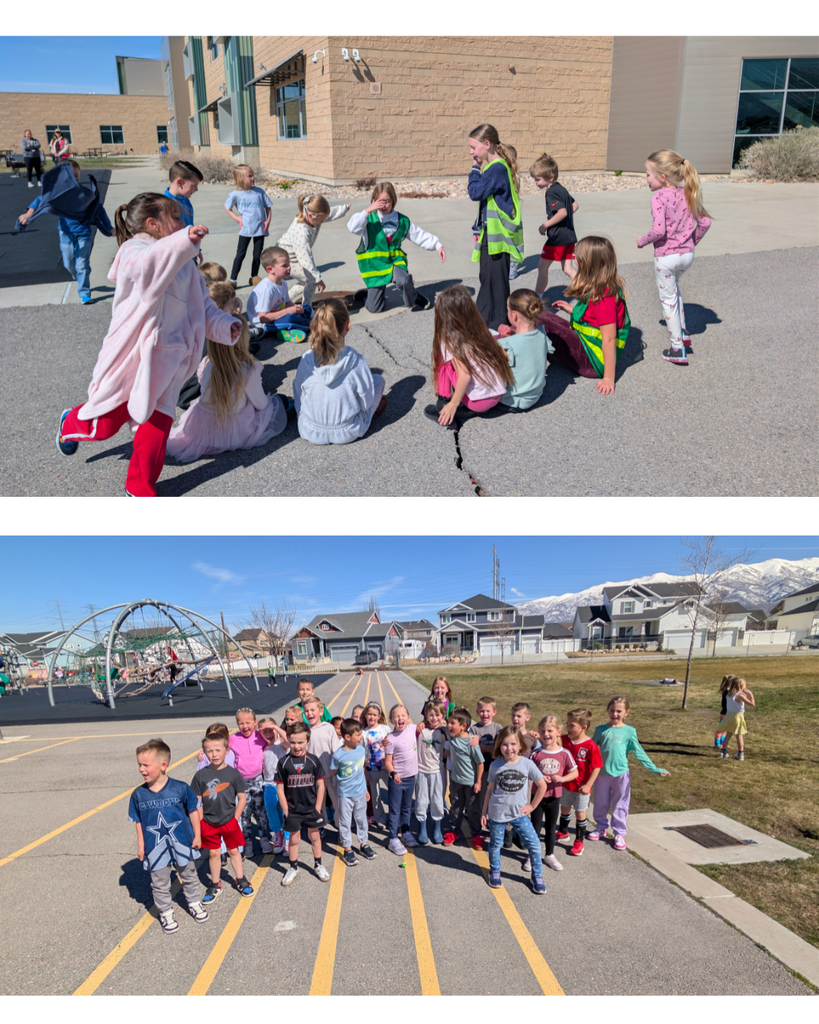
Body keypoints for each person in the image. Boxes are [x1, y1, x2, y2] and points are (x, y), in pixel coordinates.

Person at [55, 194, 241, 496]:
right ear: (153, 224)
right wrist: (183, 242)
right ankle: (69, 422)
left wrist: (223, 324)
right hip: (133, 358)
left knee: (156, 431)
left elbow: (202, 307)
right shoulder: (133, 251)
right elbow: (148, 271)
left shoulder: (186, 266)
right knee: (104, 423)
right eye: (177, 219)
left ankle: (140, 488)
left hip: (170, 358)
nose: (183, 224)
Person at [166, 314, 287, 462]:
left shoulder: (206, 363)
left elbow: (205, 386)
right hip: (235, 431)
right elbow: (261, 404)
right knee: (280, 402)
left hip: (203, 428)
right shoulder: (249, 369)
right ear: (243, 341)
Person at [638, 149, 712, 366]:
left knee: (668, 300)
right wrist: (691, 242)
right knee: (674, 290)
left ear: (662, 176)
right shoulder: (687, 193)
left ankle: (677, 348)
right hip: (687, 255)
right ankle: (683, 332)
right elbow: (705, 222)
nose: (646, 179)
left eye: (648, 174)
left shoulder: (658, 198)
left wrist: (642, 240)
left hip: (666, 257)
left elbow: (658, 231)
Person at [128, 738, 208, 933]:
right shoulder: (138, 794)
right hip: (155, 846)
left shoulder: (180, 788)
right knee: (159, 881)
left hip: (182, 841)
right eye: (139, 764)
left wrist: (197, 836)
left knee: (188, 874)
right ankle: (165, 911)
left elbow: (193, 812)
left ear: (164, 765)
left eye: (146, 765)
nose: (141, 769)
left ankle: (194, 903)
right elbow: (138, 821)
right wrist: (141, 846)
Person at [540, 235, 631, 397]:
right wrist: (571, 310)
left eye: (578, 257)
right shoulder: (602, 285)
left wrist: (609, 377)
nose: (574, 258)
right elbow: (592, 318)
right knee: (542, 316)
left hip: (592, 360)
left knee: (539, 321)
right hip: (587, 346)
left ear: (588, 264)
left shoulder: (604, 297)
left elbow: (609, 339)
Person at [17, 160, 113, 306]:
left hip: (83, 233)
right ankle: (80, 274)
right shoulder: (59, 194)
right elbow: (40, 200)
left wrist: (110, 228)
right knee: (69, 263)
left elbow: (98, 208)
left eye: (76, 175)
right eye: (70, 177)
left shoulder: (85, 195)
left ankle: (84, 292)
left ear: (80, 174)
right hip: (65, 234)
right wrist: (28, 214)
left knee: (81, 264)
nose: (74, 179)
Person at [293, 299, 387, 445]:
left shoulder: (307, 358)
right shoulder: (356, 360)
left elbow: (298, 391)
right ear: (347, 326)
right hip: (347, 431)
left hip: (310, 430)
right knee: (378, 381)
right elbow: (366, 402)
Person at [348, 181, 443, 313]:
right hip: (375, 267)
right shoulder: (367, 217)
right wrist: (368, 210)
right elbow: (352, 227)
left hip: (394, 261)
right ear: (373, 201)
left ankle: (413, 297)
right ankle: (369, 295)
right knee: (375, 308)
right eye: (380, 201)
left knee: (404, 279)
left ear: (393, 200)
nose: (384, 205)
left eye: (387, 201)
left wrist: (437, 245)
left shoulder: (401, 220)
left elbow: (419, 235)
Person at [426, 285, 514, 427]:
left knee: (444, 359)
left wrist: (454, 404)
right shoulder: (480, 328)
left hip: (477, 403)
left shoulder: (450, 340)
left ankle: (444, 401)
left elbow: (465, 375)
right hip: (497, 396)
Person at [589, 696, 669, 849]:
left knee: (621, 804)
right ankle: (601, 827)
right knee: (600, 802)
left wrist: (655, 769)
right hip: (602, 774)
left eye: (619, 711)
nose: (615, 714)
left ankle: (619, 833)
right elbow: (590, 750)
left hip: (621, 775)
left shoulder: (629, 731)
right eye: (612, 710)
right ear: (608, 711)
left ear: (626, 712)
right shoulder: (600, 730)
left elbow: (639, 753)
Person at [467, 123, 523, 330]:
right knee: (487, 278)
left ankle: (498, 323)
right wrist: (477, 227)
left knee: (496, 283)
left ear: (487, 144)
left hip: (497, 236)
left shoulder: (497, 168)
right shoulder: (493, 167)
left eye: (474, 147)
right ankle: (485, 322)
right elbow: (486, 203)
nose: (471, 152)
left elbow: (476, 193)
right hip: (489, 233)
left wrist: (474, 169)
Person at [481, 726, 548, 893]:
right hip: (497, 813)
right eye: (504, 744)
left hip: (519, 814)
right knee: (495, 844)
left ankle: (537, 875)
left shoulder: (527, 764)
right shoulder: (495, 765)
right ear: (499, 746)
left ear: (520, 745)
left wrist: (532, 806)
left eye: (513, 744)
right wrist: (484, 812)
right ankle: (495, 871)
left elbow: (542, 785)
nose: (509, 748)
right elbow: (489, 789)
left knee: (534, 844)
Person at [190, 732, 254, 902]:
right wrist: (202, 821)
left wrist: (235, 818)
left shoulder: (233, 773)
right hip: (209, 822)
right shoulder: (200, 776)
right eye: (209, 751)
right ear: (204, 752)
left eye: (218, 750)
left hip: (229, 820)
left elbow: (242, 798)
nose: (214, 754)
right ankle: (215, 883)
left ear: (227, 750)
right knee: (213, 853)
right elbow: (197, 802)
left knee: (234, 851)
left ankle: (240, 879)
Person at [275, 720, 330, 885]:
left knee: (314, 836)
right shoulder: (284, 762)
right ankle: (293, 867)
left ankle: (318, 864)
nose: (296, 746)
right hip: (293, 809)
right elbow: (279, 788)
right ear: (288, 741)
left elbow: (321, 785)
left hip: (311, 807)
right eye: (292, 742)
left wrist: (318, 806)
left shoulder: (313, 760)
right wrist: (286, 810)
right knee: (294, 839)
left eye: (300, 742)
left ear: (308, 741)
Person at [276, 194, 350, 305]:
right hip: (285, 259)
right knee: (311, 280)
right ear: (311, 215)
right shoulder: (301, 232)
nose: (322, 222)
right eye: (321, 220)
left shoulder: (311, 217)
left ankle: (282, 300)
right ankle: (306, 308)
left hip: (296, 255)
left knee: (306, 280)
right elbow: (306, 259)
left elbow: (328, 214)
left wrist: (343, 209)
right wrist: (317, 278)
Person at [529, 715, 577, 873]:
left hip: (554, 797)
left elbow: (574, 772)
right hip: (537, 798)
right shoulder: (536, 753)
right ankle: (533, 855)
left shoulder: (564, 753)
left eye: (550, 730)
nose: (546, 734)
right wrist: (539, 777)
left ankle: (549, 854)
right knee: (535, 827)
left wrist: (562, 778)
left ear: (558, 732)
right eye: (542, 731)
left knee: (550, 828)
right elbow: (527, 772)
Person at [330, 717, 378, 865]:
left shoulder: (361, 750)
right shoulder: (338, 755)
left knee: (361, 819)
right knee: (345, 821)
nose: (361, 737)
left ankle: (364, 843)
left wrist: (365, 789)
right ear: (347, 737)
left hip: (360, 792)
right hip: (345, 794)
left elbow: (362, 769)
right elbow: (333, 771)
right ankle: (348, 848)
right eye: (358, 735)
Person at [530, 153, 579, 296]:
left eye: (538, 179)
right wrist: (564, 220)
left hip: (557, 238)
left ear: (550, 177)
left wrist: (545, 225)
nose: (535, 182)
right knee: (568, 269)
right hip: (569, 236)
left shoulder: (551, 192)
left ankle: (536, 298)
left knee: (542, 266)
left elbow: (563, 212)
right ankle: (586, 292)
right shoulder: (561, 189)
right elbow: (574, 206)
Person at [495, 290, 553, 410]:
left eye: (508, 309)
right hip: (536, 395)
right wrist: (512, 333)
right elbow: (526, 342)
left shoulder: (506, 345)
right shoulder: (542, 334)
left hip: (513, 400)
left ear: (514, 314)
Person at [557, 708, 603, 857]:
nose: (568, 728)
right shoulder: (563, 740)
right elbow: (550, 741)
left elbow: (596, 767)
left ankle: (579, 840)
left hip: (581, 787)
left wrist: (588, 784)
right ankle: (563, 832)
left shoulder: (591, 746)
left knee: (580, 812)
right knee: (564, 808)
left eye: (572, 725)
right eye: (567, 724)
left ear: (584, 727)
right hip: (565, 784)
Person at [246, 246, 312, 344]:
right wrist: (288, 311)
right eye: (284, 265)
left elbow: (287, 302)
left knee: (306, 307)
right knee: (290, 318)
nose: (289, 267)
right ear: (270, 269)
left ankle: (284, 332)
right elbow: (263, 318)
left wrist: (296, 308)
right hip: (264, 324)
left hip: (278, 315)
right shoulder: (266, 289)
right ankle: (313, 325)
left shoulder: (283, 283)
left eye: (289, 264)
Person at [229, 707, 272, 856]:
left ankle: (264, 838)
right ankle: (247, 841)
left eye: (248, 722)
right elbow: (219, 749)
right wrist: (202, 754)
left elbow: (277, 743)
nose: (245, 726)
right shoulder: (233, 739)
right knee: (244, 813)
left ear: (255, 722)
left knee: (261, 811)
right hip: (241, 783)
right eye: (240, 723)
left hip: (258, 780)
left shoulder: (261, 737)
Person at [443, 708, 484, 848]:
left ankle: (476, 834)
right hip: (456, 781)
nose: (449, 726)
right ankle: (455, 831)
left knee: (473, 809)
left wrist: (478, 782)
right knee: (455, 806)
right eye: (448, 722)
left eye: (452, 723)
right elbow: (438, 724)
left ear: (463, 726)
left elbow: (480, 763)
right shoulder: (451, 736)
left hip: (471, 783)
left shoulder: (471, 743)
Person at [225, 165, 272, 286]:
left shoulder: (259, 192)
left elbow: (268, 207)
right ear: (240, 178)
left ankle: (253, 277)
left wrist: (267, 221)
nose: (253, 178)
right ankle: (232, 280)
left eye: (253, 175)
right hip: (246, 229)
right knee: (240, 254)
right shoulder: (235, 194)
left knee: (257, 255)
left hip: (260, 229)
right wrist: (236, 218)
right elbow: (227, 207)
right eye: (249, 176)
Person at [384, 703, 418, 855]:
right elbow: (388, 762)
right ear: (391, 720)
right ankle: (392, 838)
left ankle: (405, 832)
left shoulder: (413, 728)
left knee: (406, 808)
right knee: (394, 810)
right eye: (396, 716)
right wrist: (393, 774)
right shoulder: (390, 739)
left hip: (411, 778)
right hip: (397, 780)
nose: (400, 718)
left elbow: (426, 726)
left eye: (403, 715)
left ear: (408, 717)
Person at [303, 696, 342, 825]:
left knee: (338, 803)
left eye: (312, 710)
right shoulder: (305, 731)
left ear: (320, 711)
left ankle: (341, 828)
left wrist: (336, 772)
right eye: (306, 711)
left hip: (330, 775)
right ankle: (320, 826)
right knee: (317, 805)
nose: (309, 713)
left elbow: (335, 751)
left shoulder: (328, 728)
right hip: (314, 777)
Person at [414, 702, 447, 845]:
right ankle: (422, 828)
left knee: (437, 800)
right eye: (431, 715)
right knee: (421, 800)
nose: (434, 718)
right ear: (426, 715)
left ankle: (437, 828)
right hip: (421, 770)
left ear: (443, 716)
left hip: (437, 772)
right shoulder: (420, 730)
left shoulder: (445, 731)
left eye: (437, 715)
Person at [259, 716, 290, 854]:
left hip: (284, 784)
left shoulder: (282, 744)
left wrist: (276, 728)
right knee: (270, 808)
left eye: (270, 730)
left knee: (286, 811)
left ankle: (288, 838)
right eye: (264, 732)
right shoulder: (262, 748)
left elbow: (290, 740)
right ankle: (278, 833)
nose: (268, 734)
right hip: (269, 784)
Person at [361, 702, 391, 827]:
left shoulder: (385, 729)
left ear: (379, 716)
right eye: (369, 714)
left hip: (385, 768)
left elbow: (392, 744)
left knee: (392, 793)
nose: (372, 717)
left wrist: (387, 743)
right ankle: (380, 818)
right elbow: (361, 751)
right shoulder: (363, 732)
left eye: (374, 715)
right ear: (365, 715)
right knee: (375, 795)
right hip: (370, 770)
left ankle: (395, 817)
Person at [719, 676, 755, 761]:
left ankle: (723, 752)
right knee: (739, 735)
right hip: (737, 717)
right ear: (741, 686)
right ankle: (740, 754)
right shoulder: (740, 696)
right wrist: (750, 694)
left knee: (728, 734)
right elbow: (752, 704)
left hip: (729, 716)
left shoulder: (729, 694)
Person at [165, 160, 203, 229]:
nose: (196, 189)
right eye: (194, 186)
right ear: (179, 182)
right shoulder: (166, 206)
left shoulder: (185, 200)